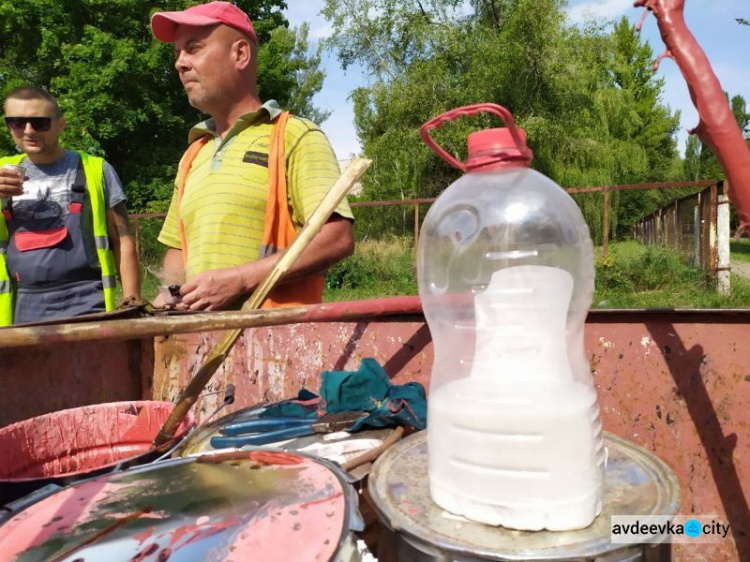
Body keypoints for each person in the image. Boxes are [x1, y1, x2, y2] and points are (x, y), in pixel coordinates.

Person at [150, 1, 355, 311]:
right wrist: (168, 293)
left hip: (276, 345)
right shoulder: (194, 154)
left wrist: (241, 279)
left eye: (193, 48)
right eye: (178, 53)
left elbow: (337, 238)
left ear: (240, 54)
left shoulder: (294, 136)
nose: (180, 63)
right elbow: (179, 250)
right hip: (199, 346)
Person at [0, 86, 140, 325]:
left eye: (40, 122)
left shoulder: (95, 169)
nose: (28, 131)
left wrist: (133, 304)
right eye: (17, 122)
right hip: (23, 306)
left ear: (61, 125)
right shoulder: (3, 172)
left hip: (88, 302)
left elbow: (122, 239)